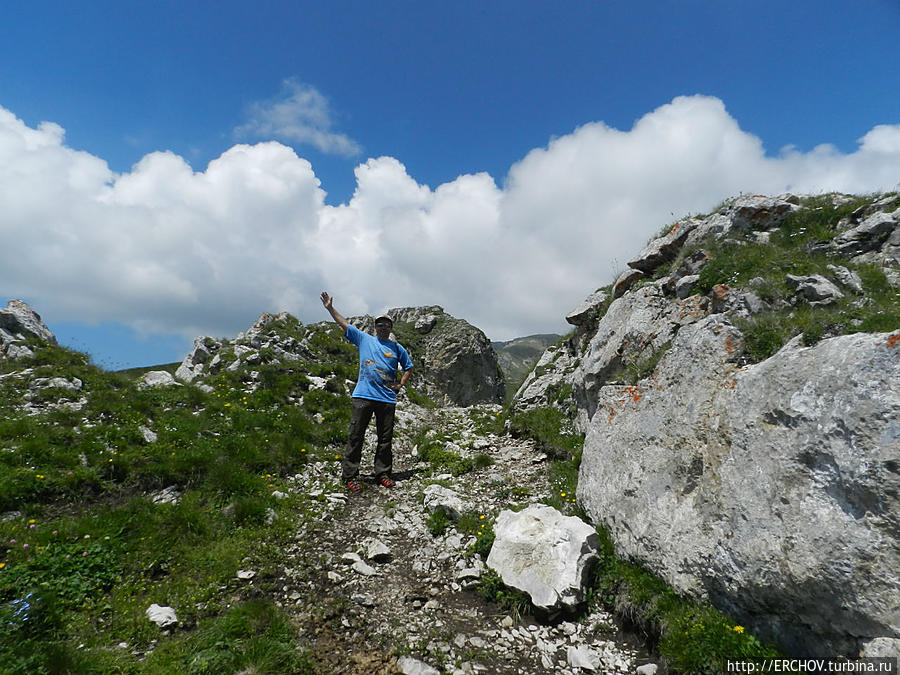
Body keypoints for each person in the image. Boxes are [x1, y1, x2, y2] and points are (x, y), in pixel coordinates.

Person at [320, 291, 414, 492]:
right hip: (363, 395)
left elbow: (409, 367)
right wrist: (330, 308)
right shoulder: (364, 339)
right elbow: (344, 324)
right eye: (380, 324)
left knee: (385, 438)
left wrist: (400, 385)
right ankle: (350, 476)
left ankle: (383, 473)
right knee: (356, 436)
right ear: (375, 327)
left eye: (386, 324)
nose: (383, 327)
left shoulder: (397, 348)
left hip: (387, 398)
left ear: (390, 328)